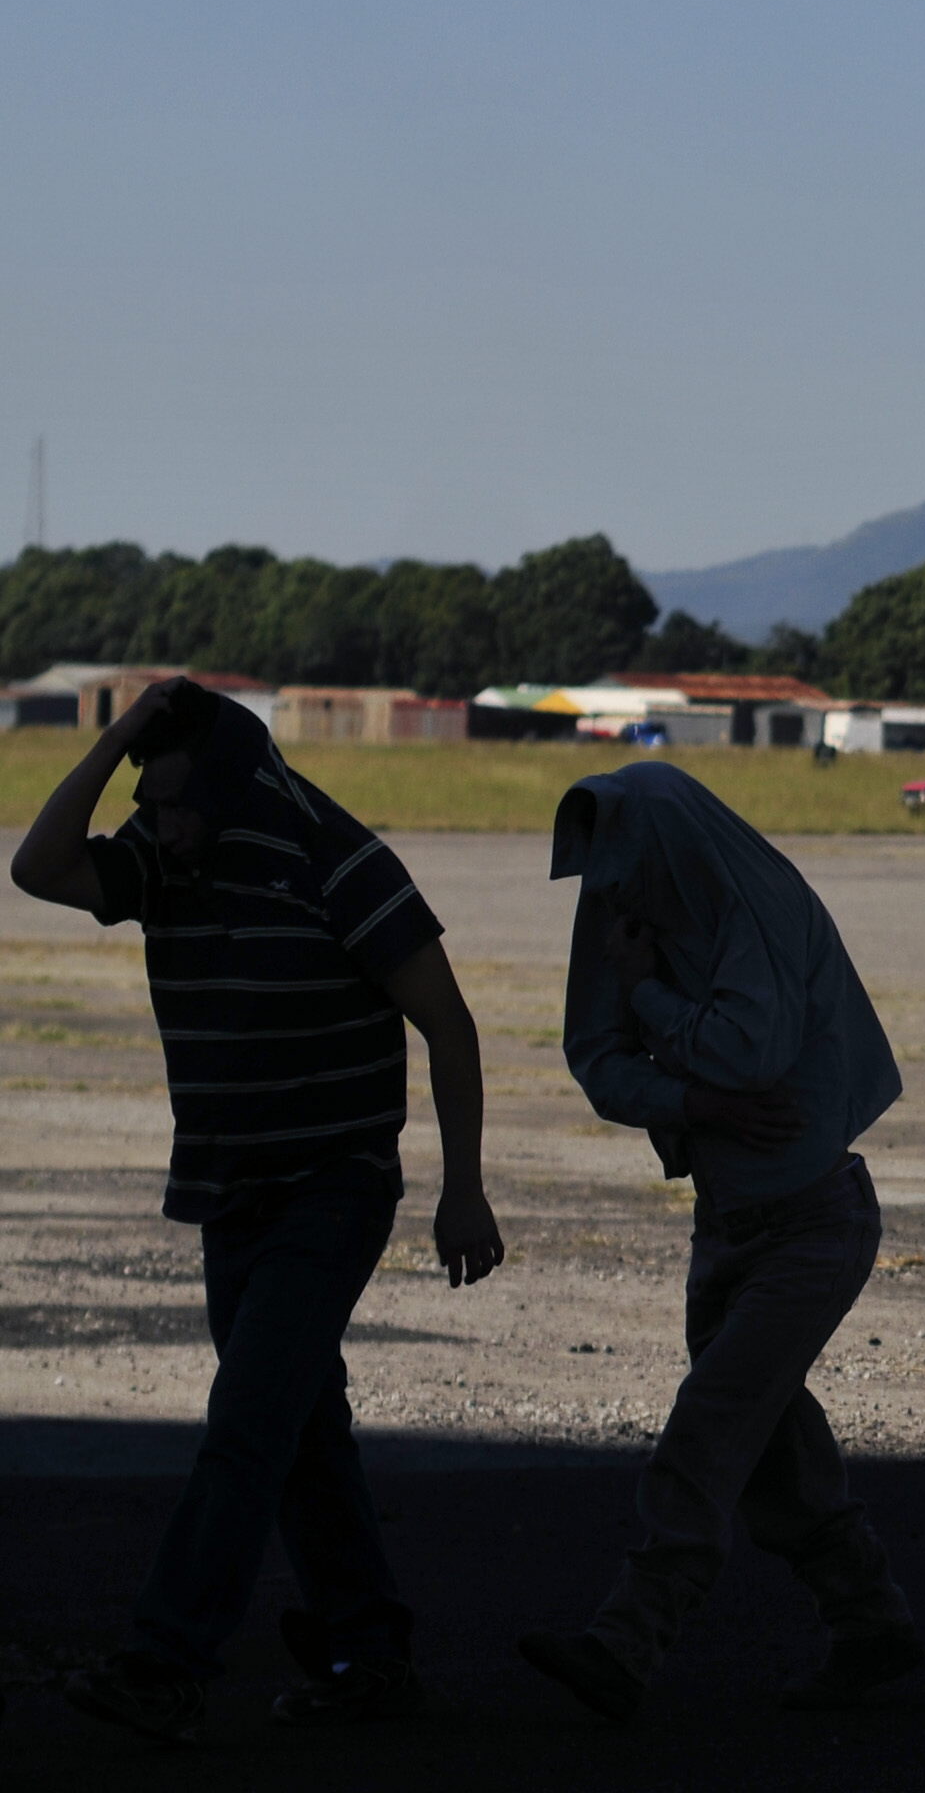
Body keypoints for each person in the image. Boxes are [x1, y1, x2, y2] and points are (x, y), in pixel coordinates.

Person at [12, 680, 504, 1747]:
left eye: (180, 803)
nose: (162, 823)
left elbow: (451, 1028)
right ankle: (370, 1657)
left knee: (244, 1429)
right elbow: (37, 866)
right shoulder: (160, 857)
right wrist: (118, 742)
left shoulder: (339, 862)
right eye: (154, 801)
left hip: (332, 1188)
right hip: (229, 1190)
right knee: (300, 1430)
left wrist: (463, 1189)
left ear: (236, 793)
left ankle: (166, 1661)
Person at [519, 765, 918, 1723]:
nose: (615, 894)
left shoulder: (753, 910)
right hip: (729, 1224)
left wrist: (649, 995)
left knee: (707, 1432)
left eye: (627, 872)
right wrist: (694, 1101)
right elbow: (594, 1057)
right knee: (773, 1451)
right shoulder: (623, 900)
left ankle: (628, 1641)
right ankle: (871, 1622)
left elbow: (749, 1050)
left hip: (814, 1224)